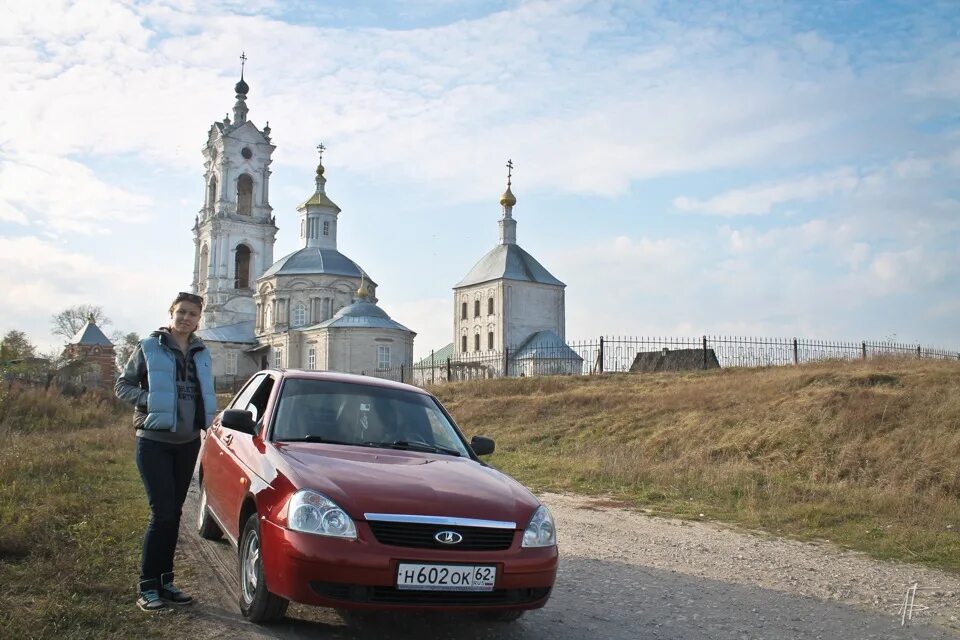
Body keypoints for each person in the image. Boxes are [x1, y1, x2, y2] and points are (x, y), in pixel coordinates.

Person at [115, 291, 217, 612]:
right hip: (155, 442)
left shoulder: (202, 353)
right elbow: (123, 386)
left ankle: (166, 581)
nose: (186, 318)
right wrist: (151, 401)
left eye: (192, 314)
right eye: (181, 312)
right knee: (162, 514)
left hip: (188, 444)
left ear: (199, 319)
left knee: (174, 514)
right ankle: (147, 586)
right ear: (171, 313)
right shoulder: (149, 347)